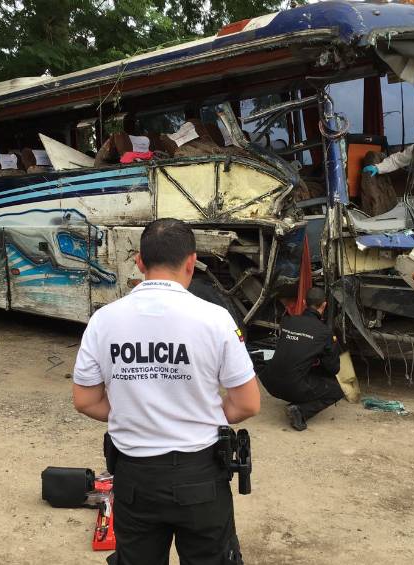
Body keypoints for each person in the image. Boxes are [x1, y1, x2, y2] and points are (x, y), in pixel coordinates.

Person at [72, 218, 260, 565]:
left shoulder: (104, 320)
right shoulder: (215, 319)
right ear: (191, 262)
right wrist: (201, 415)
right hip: (200, 476)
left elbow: (85, 400)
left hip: (134, 479)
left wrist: (131, 414)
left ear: (139, 262)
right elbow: (248, 403)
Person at [259, 287, 343, 431]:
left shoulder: (287, 321)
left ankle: (297, 393)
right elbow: (333, 368)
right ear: (324, 305)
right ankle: (299, 411)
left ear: (304, 302)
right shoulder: (324, 332)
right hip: (292, 386)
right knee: (337, 390)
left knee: (299, 366)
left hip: (269, 382)